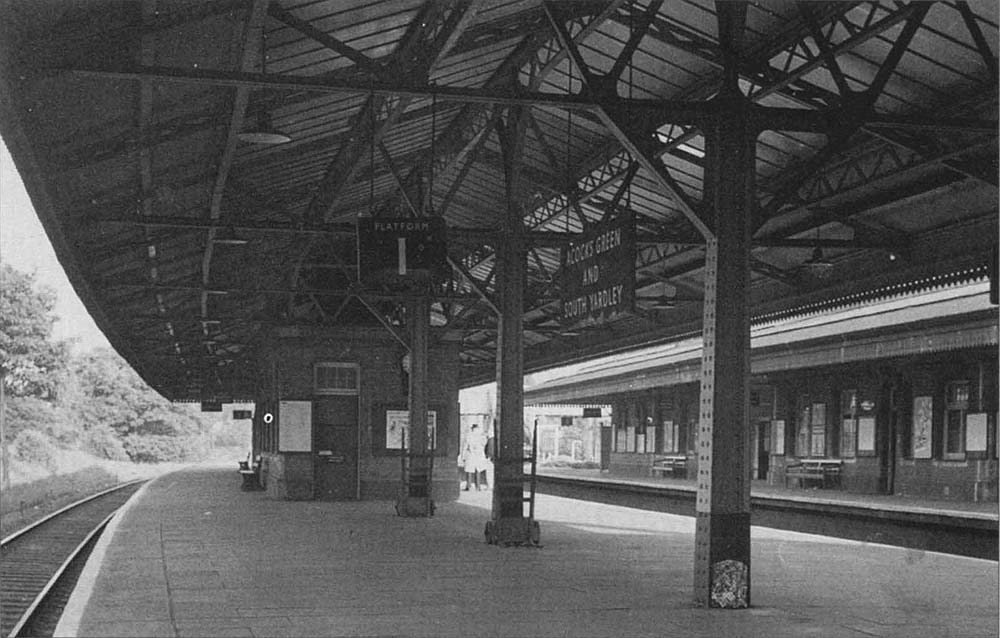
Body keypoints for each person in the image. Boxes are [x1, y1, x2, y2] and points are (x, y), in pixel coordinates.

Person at [463, 423, 488, 491]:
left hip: (478, 454)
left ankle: (478, 486)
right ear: (473, 429)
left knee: (477, 470)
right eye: (475, 429)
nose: (476, 430)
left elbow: (484, 443)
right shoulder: (469, 436)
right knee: (469, 470)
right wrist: (463, 455)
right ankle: (469, 486)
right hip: (471, 454)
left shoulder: (481, 436)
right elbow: (466, 445)